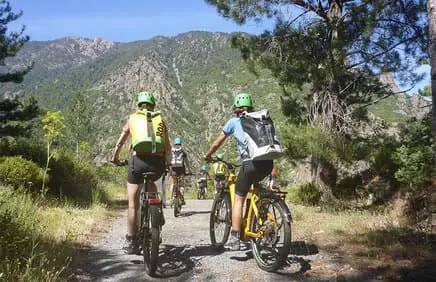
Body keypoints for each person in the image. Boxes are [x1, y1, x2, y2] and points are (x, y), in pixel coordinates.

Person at [205, 92, 273, 251]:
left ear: (236, 109)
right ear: (251, 107)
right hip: (267, 163)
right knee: (257, 191)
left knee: (238, 199)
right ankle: (264, 220)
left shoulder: (234, 122)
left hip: (249, 164)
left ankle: (235, 237)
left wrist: (208, 155)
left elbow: (217, 142)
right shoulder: (260, 119)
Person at [111, 91, 171, 254]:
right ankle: (156, 209)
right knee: (151, 182)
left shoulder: (133, 119)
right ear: (153, 106)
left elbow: (121, 141)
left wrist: (115, 157)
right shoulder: (161, 121)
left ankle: (131, 241)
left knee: (133, 203)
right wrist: (167, 163)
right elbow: (167, 147)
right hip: (157, 164)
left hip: (138, 163)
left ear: (138, 105)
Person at [169, 137, 192, 205]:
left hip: (173, 169)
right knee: (181, 185)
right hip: (181, 169)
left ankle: (171, 198)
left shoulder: (171, 151)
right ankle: (182, 199)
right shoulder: (182, 151)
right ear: (180, 143)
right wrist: (189, 170)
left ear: (174, 143)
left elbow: (169, 160)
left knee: (173, 184)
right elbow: (186, 162)